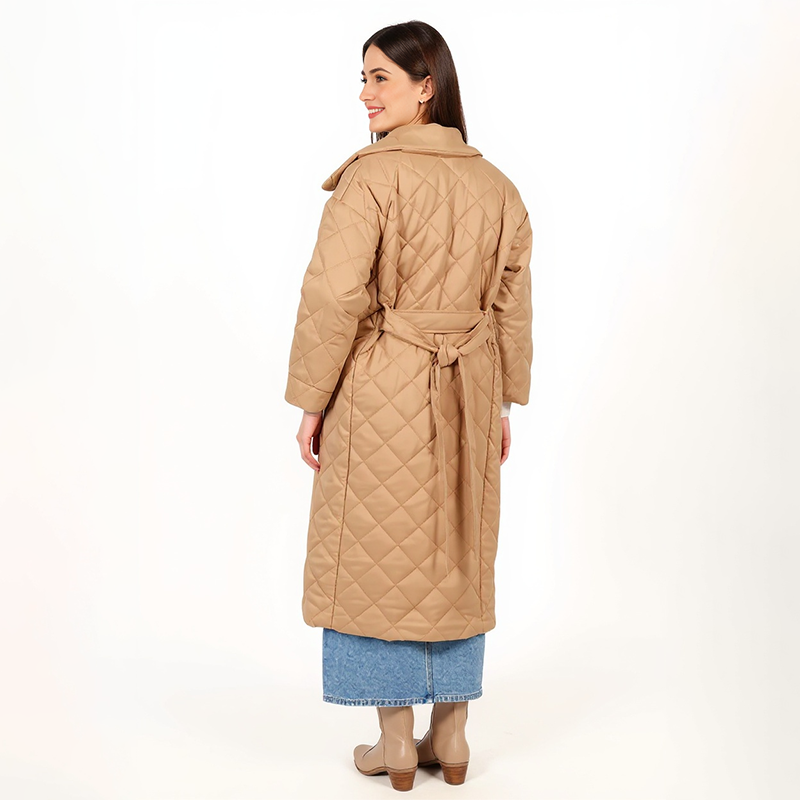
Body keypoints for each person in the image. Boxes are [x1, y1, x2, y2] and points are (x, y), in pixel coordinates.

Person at [284, 20, 532, 792]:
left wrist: (311, 400)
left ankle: (395, 742)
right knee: (458, 547)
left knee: (374, 548)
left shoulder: (371, 179)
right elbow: (510, 306)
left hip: (381, 383)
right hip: (471, 384)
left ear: (427, 86)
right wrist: (503, 402)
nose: (365, 94)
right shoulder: (497, 187)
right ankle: (450, 733)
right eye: (363, 78)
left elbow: (334, 295)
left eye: (379, 77)